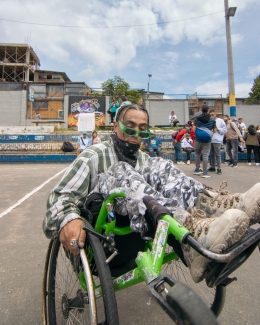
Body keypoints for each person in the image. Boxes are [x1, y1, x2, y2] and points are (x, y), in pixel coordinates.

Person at [43, 103, 260, 283]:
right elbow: (58, 201)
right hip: (105, 244)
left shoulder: (146, 161)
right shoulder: (94, 155)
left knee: (160, 165)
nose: (135, 135)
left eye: (142, 129)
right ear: (115, 127)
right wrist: (69, 219)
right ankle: (191, 231)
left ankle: (215, 209)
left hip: (141, 235)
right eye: (129, 127)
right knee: (121, 171)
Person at [193, 105, 216, 178]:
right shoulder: (212, 119)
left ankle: (197, 169)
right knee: (205, 155)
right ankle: (205, 172)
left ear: (201, 110)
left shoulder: (197, 118)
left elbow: (193, 130)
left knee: (197, 154)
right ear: (208, 110)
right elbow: (215, 130)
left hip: (198, 139)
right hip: (207, 140)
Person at [208, 109, 227, 175]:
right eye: (210, 115)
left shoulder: (220, 121)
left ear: (215, 114)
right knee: (211, 154)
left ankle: (219, 168)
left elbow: (224, 130)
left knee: (217, 154)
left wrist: (218, 128)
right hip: (210, 140)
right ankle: (212, 166)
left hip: (217, 140)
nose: (212, 116)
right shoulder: (209, 121)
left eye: (212, 115)